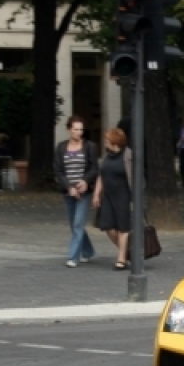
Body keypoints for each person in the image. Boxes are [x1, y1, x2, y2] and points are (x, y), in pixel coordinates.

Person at [53, 115, 98, 268]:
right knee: (74, 224)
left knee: (78, 223)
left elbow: (94, 168)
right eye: (76, 129)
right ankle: (88, 251)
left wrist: (85, 181)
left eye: (81, 129)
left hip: (84, 190)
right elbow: (58, 171)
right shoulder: (61, 147)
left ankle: (73, 257)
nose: (79, 132)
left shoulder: (89, 146)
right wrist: (69, 187)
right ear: (69, 130)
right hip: (68, 190)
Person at [92, 128, 133, 271]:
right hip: (108, 196)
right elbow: (101, 175)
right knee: (107, 226)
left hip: (123, 195)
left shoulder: (128, 155)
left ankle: (121, 258)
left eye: (107, 140)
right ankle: (128, 252)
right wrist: (97, 194)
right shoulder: (107, 155)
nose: (105, 142)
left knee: (123, 227)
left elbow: (134, 175)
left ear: (114, 142)